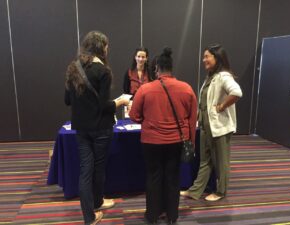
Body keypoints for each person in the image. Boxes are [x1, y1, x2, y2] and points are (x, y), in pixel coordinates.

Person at [64, 31, 129, 225]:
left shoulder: (73, 68)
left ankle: (89, 216)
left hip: (81, 128)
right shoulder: (103, 71)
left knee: (86, 170)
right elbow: (104, 106)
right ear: (101, 47)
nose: (108, 49)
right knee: (98, 168)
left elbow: (67, 100)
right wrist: (120, 101)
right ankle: (98, 203)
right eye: (107, 46)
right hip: (101, 128)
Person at [129, 47, 197, 224]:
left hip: (151, 141)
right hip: (176, 141)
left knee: (153, 177)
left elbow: (134, 116)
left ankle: (152, 215)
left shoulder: (145, 89)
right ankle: (172, 216)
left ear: (156, 68)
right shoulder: (187, 89)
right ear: (171, 68)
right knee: (172, 177)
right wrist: (191, 143)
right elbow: (192, 120)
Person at [180, 44, 242, 202]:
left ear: (217, 58)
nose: (204, 59)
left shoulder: (223, 76)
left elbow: (236, 92)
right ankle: (195, 191)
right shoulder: (211, 77)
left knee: (221, 162)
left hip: (220, 127)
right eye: (204, 56)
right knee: (205, 160)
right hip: (206, 126)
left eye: (207, 56)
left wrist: (222, 106)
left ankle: (221, 192)